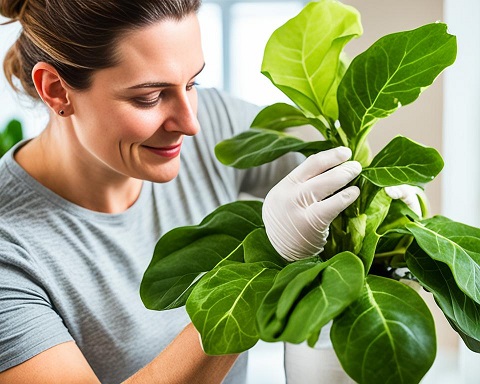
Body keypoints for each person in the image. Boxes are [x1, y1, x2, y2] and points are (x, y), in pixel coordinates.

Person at [0, 0, 420, 383]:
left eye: (193, 83)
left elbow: (333, 176)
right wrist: (266, 262)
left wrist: (379, 201)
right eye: (150, 97)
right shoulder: (10, 247)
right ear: (56, 90)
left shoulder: (214, 122)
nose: (190, 123)